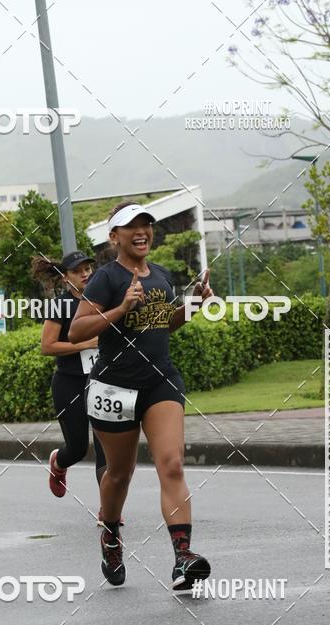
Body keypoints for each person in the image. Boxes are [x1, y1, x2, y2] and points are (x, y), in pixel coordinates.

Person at [68, 202, 213, 591]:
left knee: (172, 464)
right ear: (114, 236)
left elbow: (164, 323)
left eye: (146, 224)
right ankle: (111, 535)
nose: (141, 230)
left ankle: (183, 558)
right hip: (114, 387)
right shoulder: (104, 278)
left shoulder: (162, 277)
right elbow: (77, 332)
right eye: (130, 225)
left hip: (159, 383)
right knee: (119, 474)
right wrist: (120, 308)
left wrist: (194, 304)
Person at [36, 250, 122, 525]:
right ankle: (58, 464)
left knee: (105, 448)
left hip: (102, 382)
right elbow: (47, 346)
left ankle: (108, 511)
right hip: (69, 383)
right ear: (65, 278)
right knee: (77, 448)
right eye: (78, 270)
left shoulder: (103, 299)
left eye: (88, 268)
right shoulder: (59, 306)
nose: (85, 274)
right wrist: (85, 343)